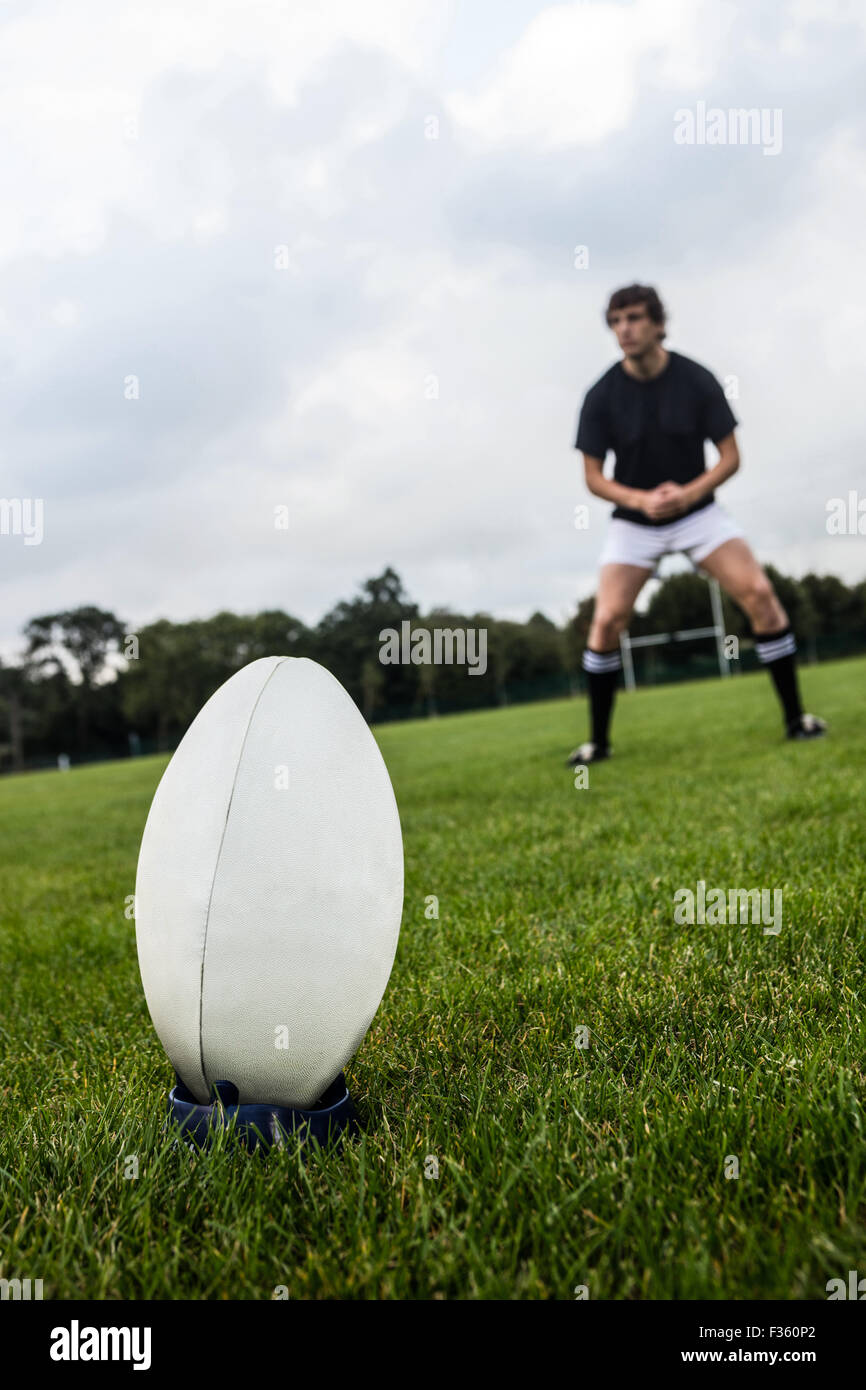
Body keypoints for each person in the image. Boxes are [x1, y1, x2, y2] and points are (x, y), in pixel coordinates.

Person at [569, 283, 825, 766]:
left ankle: (797, 720)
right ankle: (597, 744)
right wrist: (641, 500)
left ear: (659, 324)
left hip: (699, 512)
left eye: (636, 318)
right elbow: (592, 478)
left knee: (761, 596)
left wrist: (688, 492)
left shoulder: (697, 380)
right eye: (617, 321)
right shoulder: (601, 395)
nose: (625, 329)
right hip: (634, 520)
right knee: (606, 622)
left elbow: (731, 458)